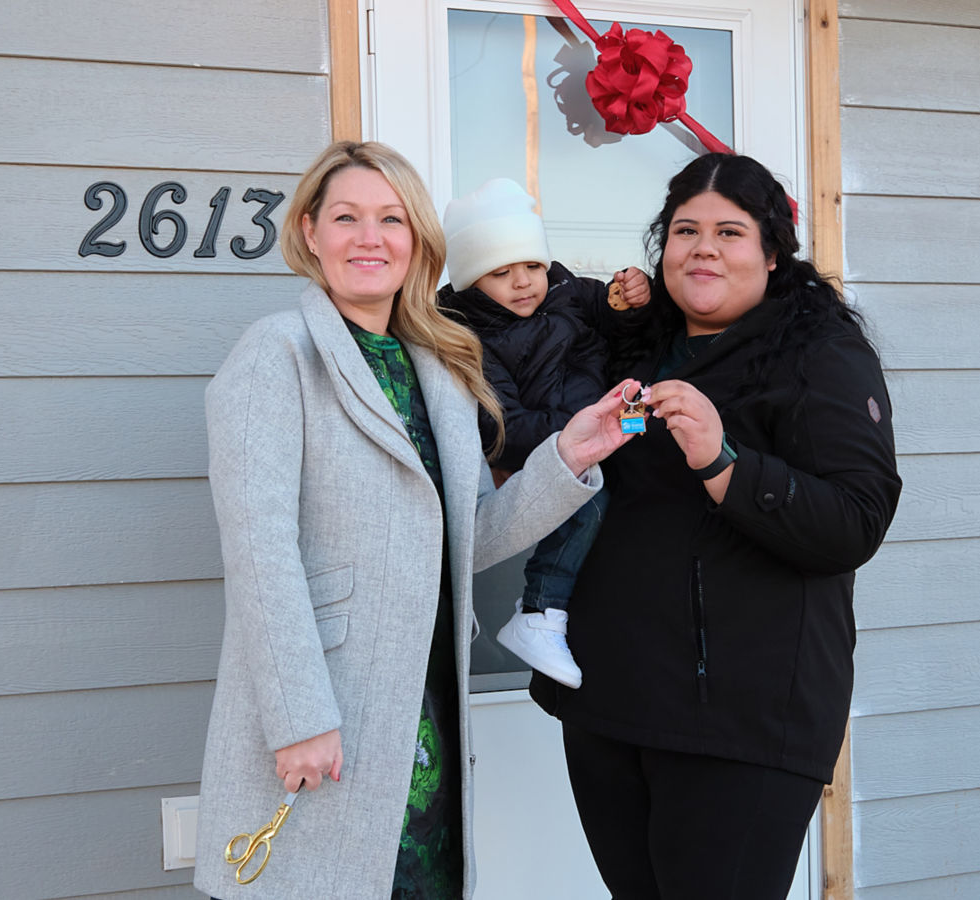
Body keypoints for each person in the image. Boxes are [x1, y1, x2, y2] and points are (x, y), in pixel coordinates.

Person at [193, 140, 639, 900]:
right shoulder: (276, 355)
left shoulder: (440, 362)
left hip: (424, 701)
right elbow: (259, 548)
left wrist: (570, 455)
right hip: (326, 707)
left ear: (418, 241)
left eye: (391, 219)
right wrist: (299, 717)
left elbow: (468, 537)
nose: (370, 238)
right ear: (310, 232)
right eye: (347, 218)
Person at [530, 153, 903, 898]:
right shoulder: (632, 344)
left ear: (772, 251)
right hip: (610, 704)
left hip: (743, 718)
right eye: (685, 229)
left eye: (730, 231)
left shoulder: (822, 355)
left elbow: (855, 522)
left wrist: (723, 460)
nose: (703, 246)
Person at [437, 177, 650, 688]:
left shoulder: (565, 289)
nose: (524, 281)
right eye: (501, 272)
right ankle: (538, 612)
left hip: (604, 421)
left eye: (532, 264)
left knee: (635, 487)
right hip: (556, 446)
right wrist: (570, 441)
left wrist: (628, 298)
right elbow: (502, 424)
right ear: (470, 280)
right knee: (587, 505)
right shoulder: (470, 335)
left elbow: (612, 318)